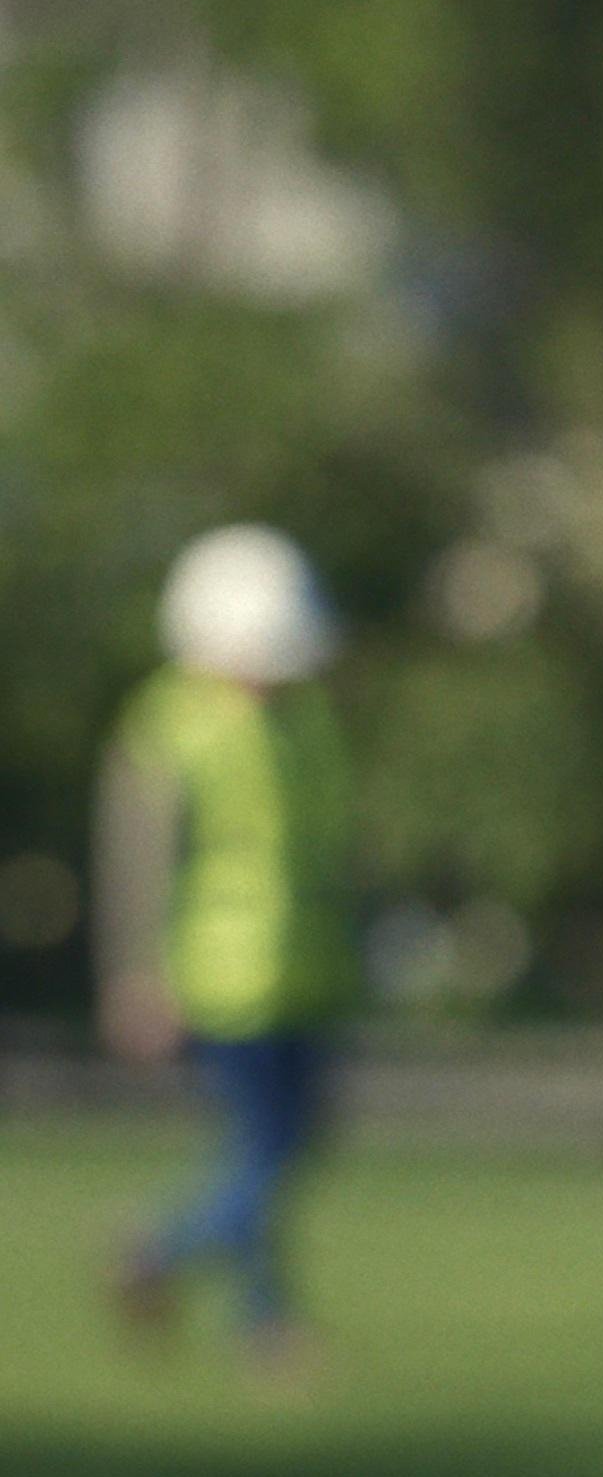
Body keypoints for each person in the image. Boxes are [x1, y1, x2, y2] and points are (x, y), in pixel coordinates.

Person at [95, 524, 359, 1369]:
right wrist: (138, 975)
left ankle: (249, 1311)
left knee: (276, 1152)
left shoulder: (305, 719)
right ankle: (200, 1276)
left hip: (306, 972)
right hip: (220, 981)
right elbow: (138, 859)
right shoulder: (171, 722)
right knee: (263, 1153)